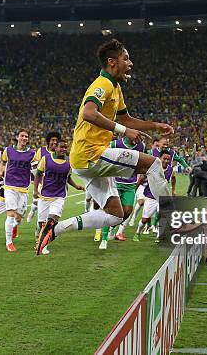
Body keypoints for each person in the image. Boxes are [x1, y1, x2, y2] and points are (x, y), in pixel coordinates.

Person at [35, 38, 174, 255]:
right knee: (154, 164)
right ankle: (173, 224)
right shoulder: (103, 84)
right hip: (92, 154)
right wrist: (122, 131)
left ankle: (54, 230)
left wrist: (155, 125)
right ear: (112, 62)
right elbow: (89, 113)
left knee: (116, 214)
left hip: (86, 160)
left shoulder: (115, 88)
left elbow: (126, 119)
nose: (130, 63)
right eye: (125, 59)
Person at [33, 139, 85, 254]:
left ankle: (44, 245)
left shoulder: (68, 162)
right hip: (45, 196)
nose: (64, 149)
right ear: (55, 148)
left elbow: (68, 177)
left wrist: (76, 186)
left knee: (51, 221)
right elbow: (38, 174)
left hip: (59, 196)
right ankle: (38, 236)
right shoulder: (46, 159)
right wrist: (35, 190)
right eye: (61, 147)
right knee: (41, 223)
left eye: (66, 147)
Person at [99, 136, 146, 249]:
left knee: (128, 210)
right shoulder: (115, 144)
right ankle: (104, 239)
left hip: (130, 184)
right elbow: (103, 155)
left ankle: (113, 226)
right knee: (110, 210)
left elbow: (141, 161)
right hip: (115, 182)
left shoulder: (141, 145)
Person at [1, 129, 36, 252]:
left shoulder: (32, 153)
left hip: (23, 187)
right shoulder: (8, 150)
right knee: (10, 214)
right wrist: (0, 171)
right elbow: (3, 161)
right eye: (22, 136)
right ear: (18, 137)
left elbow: (36, 168)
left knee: (19, 217)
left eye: (26, 136)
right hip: (10, 185)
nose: (24, 138)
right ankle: (9, 242)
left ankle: (14, 227)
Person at [134, 150, 176, 242]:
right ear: (160, 158)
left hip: (163, 197)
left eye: (168, 159)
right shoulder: (153, 167)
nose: (166, 161)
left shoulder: (170, 170)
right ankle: (137, 232)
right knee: (145, 219)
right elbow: (141, 178)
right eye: (164, 159)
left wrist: (173, 191)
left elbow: (173, 178)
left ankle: (159, 236)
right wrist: (135, 188)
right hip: (151, 196)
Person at [26, 131, 61, 223]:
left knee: (48, 209)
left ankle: (42, 226)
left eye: (56, 140)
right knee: (36, 202)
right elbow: (34, 165)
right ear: (48, 141)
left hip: (53, 184)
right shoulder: (41, 151)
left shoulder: (59, 153)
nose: (54, 142)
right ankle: (32, 211)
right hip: (42, 182)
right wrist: (37, 180)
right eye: (52, 140)